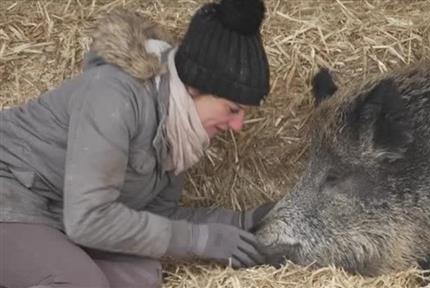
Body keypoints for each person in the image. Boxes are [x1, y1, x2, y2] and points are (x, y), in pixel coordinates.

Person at [0, 0, 275, 287]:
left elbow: (156, 216)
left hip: (57, 213)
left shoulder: (180, 130)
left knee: (139, 277)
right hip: (12, 194)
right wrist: (198, 240)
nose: (238, 127)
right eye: (233, 109)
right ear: (194, 88)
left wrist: (242, 222)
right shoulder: (114, 96)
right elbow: (89, 219)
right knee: (80, 282)